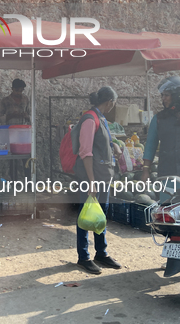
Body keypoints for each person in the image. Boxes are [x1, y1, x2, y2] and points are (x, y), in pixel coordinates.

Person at [72, 86, 123, 274]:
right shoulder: (89, 119)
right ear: (110, 102)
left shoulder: (100, 118)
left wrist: (115, 147)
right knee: (85, 215)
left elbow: (102, 142)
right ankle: (83, 257)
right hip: (90, 176)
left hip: (102, 176)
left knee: (101, 214)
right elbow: (85, 152)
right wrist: (91, 181)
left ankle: (101, 253)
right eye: (114, 103)